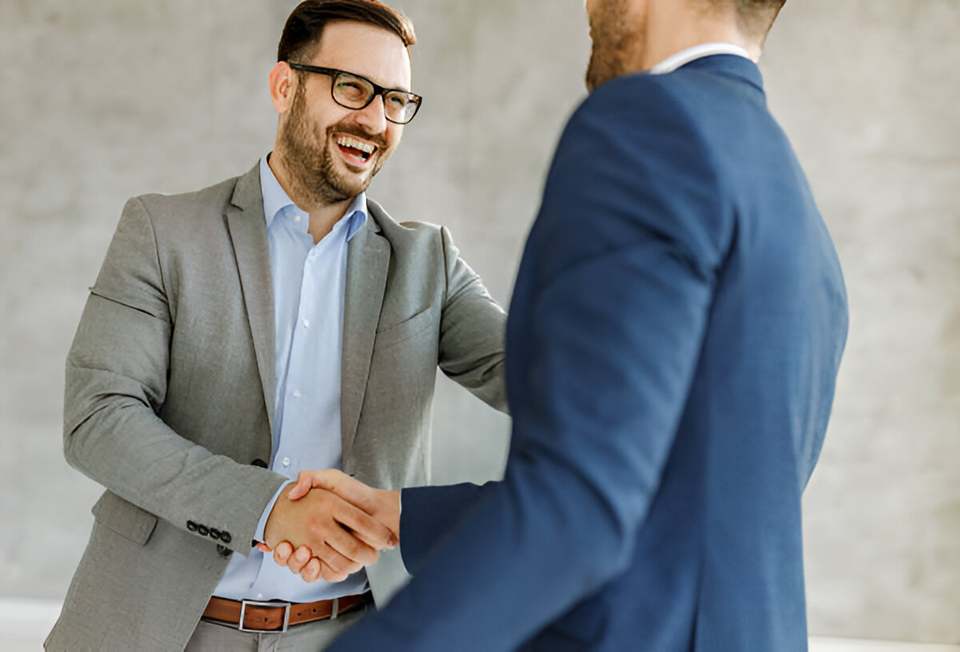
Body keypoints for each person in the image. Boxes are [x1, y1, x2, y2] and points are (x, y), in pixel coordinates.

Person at [275, 0, 850, 650]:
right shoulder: (788, 192)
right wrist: (402, 514)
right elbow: (672, 493)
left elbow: (579, 508)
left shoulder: (646, 126)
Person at [45, 1, 507, 651]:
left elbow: (550, 383)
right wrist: (267, 507)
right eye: (352, 88)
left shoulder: (427, 265)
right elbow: (99, 419)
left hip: (351, 633)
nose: (374, 120)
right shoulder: (162, 232)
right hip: (156, 630)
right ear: (284, 86)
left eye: (396, 100)